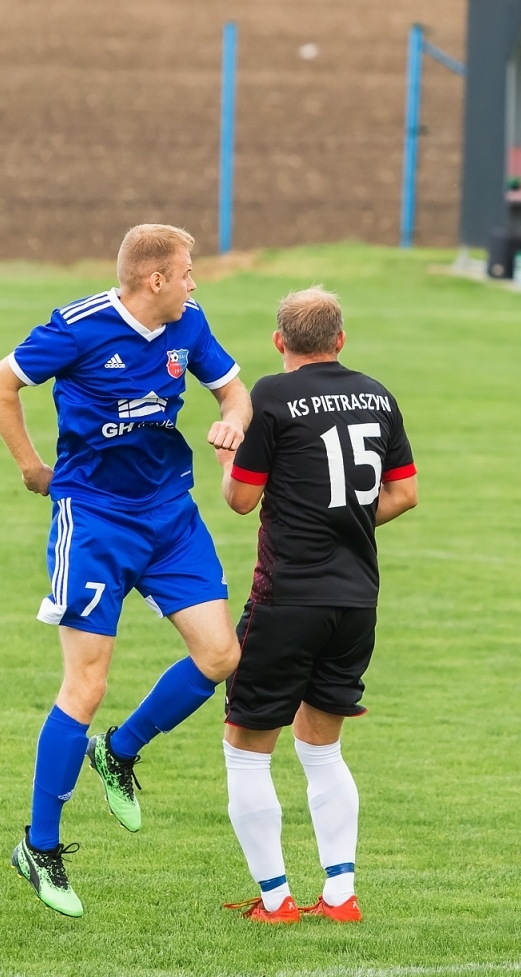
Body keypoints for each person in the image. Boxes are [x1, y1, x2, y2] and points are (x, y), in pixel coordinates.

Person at [0, 223, 251, 918]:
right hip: (95, 523)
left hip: (170, 518)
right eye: (187, 272)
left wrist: (234, 420)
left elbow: (234, 391)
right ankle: (39, 849)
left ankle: (120, 753)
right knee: (87, 684)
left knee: (221, 656)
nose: (195, 283)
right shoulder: (77, 328)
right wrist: (31, 467)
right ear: (154, 279)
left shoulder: (189, 324)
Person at [214, 286, 418, 923]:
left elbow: (242, 501)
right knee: (323, 747)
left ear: (280, 343)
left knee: (246, 747)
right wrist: (345, 523)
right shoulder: (378, 393)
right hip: (356, 601)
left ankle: (276, 901)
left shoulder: (272, 396)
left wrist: (226, 459)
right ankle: (340, 895)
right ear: (341, 340)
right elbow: (405, 493)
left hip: (288, 598)